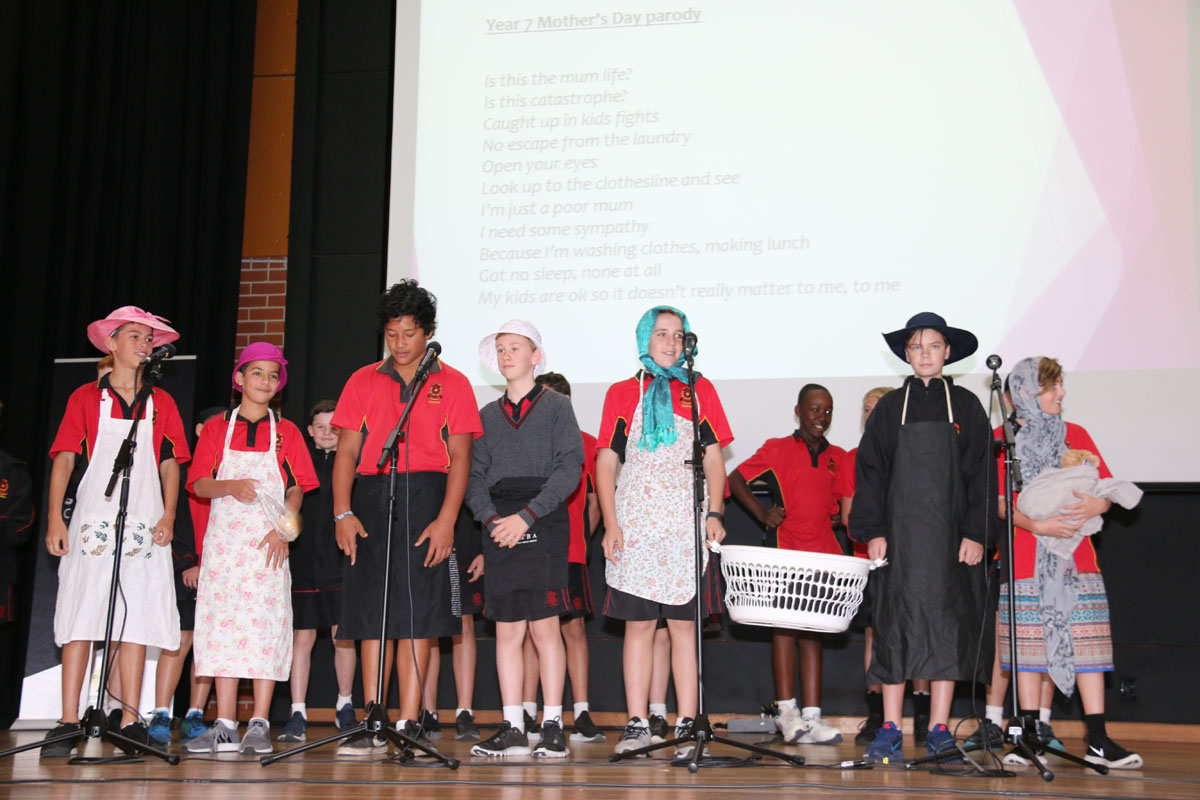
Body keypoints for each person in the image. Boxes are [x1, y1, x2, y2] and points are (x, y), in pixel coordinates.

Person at [331, 280, 482, 755]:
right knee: (372, 613)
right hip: (372, 496)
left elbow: (461, 458)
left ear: (429, 332)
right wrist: (342, 511)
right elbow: (347, 451)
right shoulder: (362, 379)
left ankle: (408, 721)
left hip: (428, 497)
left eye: (410, 334)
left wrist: (447, 520)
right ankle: (374, 719)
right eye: (392, 334)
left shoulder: (453, 382)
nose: (399, 343)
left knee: (418, 615)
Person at [41, 307, 190, 757]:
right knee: (82, 612)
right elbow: (65, 457)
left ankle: (128, 719)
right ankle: (69, 719)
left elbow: (170, 463)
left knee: (136, 615)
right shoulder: (85, 397)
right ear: (111, 343)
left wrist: (169, 515)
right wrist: (55, 518)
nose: (144, 345)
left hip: (145, 518)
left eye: (149, 338)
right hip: (94, 517)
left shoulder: (161, 402)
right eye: (135, 336)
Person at [849, 312, 992, 764]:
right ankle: (891, 728)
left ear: (948, 352)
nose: (925, 354)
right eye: (916, 347)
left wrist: (976, 533)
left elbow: (982, 476)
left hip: (950, 542)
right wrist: (872, 532)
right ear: (905, 354)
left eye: (933, 346)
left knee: (946, 633)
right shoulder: (891, 408)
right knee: (894, 629)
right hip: (899, 542)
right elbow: (871, 473)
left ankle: (939, 730)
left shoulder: (966, 406)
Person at [598, 306, 733, 758]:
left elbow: (713, 458)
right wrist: (611, 523)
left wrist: (715, 512)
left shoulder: (700, 389)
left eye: (679, 335)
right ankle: (637, 723)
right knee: (638, 627)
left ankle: (687, 725)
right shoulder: (622, 392)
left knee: (683, 629)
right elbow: (606, 462)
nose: (672, 343)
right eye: (662, 334)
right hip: (636, 523)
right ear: (645, 339)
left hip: (683, 525)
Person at [994, 357, 1142, 769]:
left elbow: (1105, 489)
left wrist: (1099, 504)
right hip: (1024, 558)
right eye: (1051, 386)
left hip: (1077, 561)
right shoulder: (1001, 441)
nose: (1060, 393)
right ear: (1025, 391)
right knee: (1028, 651)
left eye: (1060, 384)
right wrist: (1037, 524)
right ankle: (1028, 737)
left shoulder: (1076, 434)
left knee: (1089, 649)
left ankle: (1098, 739)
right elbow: (998, 502)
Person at [185, 342, 319, 755]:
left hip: (267, 547)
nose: (265, 381)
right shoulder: (216, 428)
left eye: (273, 375)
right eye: (257, 373)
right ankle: (225, 724)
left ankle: (259, 723)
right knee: (223, 629)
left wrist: (284, 529)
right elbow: (199, 484)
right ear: (240, 378)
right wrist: (230, 486)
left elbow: (296, 489)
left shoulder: (288, 432)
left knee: (264, 628)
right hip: (224, 547)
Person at [466, 321, 583, 758]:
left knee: (545, 627)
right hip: (499, 524)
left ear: (536, 357)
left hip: (543, 518)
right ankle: (514, 725)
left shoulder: (556, 407)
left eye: (515, 348)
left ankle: (552, 724)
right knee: (507, 629)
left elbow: (569, 467)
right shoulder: (485, 415)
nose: (506, 356)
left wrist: (527, 517)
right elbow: (472, 477)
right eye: (500, 349)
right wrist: (493, 519)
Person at [728, 383, 849, 746]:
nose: (821, 417)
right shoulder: (776, 449)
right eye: (814, 409)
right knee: (784, 630)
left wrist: (839, 517)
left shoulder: (839, 457)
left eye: (827, 411)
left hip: (824, 556)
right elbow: (735, 479)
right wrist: (763, 513)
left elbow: (842, 503)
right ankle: (787, 712)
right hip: (786, 552)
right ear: (798, 411)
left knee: (813, 633)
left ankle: (812, 717)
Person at [518, 371, 605, 744]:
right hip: (530, 549)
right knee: (530, 631)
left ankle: (581, 712)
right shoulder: (523, 442)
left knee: (573, 629)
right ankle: (528, 711)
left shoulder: (587, 443)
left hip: (569, 551)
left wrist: (582, 537)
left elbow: (596, 500)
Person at [278, 400, 358, 743]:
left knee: (344, 636)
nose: (327, 433)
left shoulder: (354, 463)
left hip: (342, 561)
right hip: (304, 561)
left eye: (334, 427)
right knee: (302, 638)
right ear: (310, 431)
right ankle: (297, 712)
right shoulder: (296, 464)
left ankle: (345, 705)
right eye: (321, 427)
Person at [148, 405, 224, 744]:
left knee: (209, 645)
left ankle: (195, 713)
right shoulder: (181, 472)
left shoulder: (232, 476)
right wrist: (189, 563)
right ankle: (161, 713)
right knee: (179, 640)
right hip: (188, 569)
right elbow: (173, 522)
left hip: (223, 571)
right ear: (199, 431)